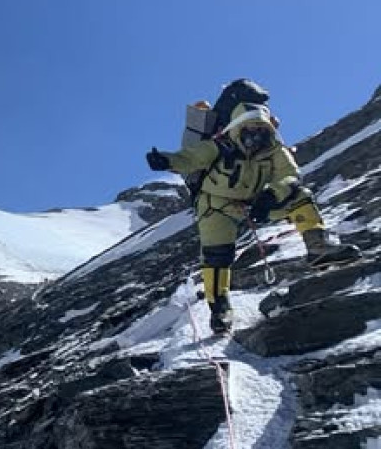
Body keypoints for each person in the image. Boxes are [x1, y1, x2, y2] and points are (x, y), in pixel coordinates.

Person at [146, 101, 360, 333]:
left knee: (301, 196)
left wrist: (273, 194)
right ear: (239, 128)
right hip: (217, 206)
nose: (256, 134)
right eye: (250, 128)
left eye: (261, 129)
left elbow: (290, 176)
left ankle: (319, 249)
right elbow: (191, 158)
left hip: (257, 202)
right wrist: (167, 160)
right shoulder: (219, 146)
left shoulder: (276, 151)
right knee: (217, 256)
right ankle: (220, 310)